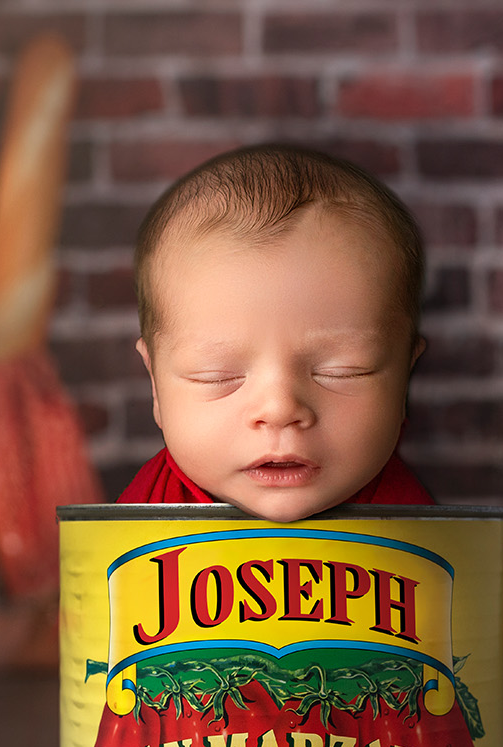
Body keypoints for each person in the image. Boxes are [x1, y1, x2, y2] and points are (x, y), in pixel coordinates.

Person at [117, 143, 434, 521]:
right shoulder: (135, 523)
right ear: (155, 386)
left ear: (405, 377)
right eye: (218, 376)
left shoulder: (426, 534)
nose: (280, 408)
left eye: (343, 371)